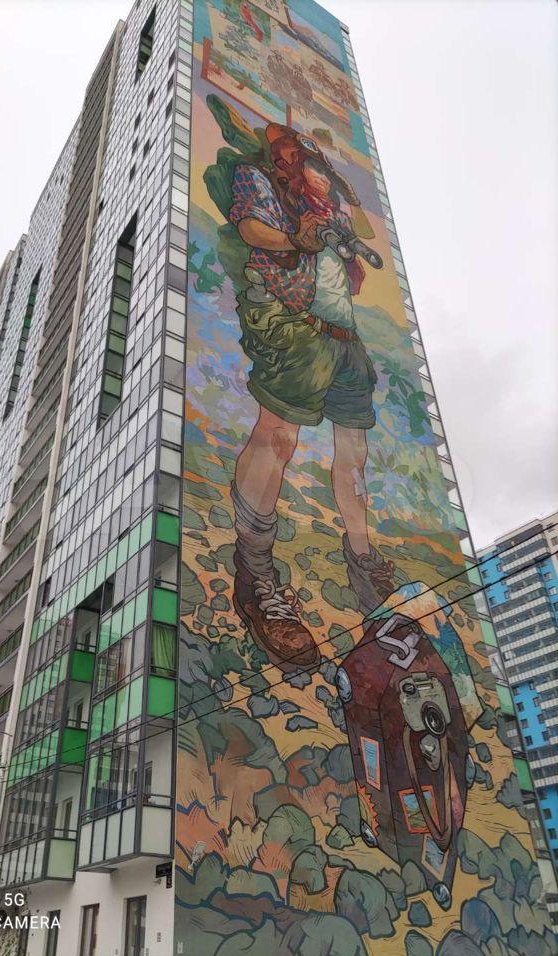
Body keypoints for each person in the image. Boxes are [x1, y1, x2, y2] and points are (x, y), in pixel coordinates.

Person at [227, 123, 395, 670]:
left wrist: (337, 197)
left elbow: (365, 228)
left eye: (319, 162)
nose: (313, 169)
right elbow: (252, 227)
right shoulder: (261, 181)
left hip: (346, 337)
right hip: (294, 325)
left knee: (355, 454)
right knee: (277, 438)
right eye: (302, 159)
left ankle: (362, 559)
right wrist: (298, 237)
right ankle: (255, 575)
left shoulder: (336, 207)